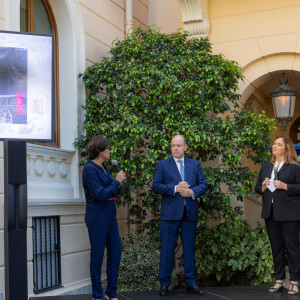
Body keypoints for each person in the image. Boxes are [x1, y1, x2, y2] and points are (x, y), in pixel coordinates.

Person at [152, 135, 208, 296]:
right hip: (169, 215)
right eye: (173, 145)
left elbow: (203, 185)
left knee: (189, 248)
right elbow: (156, 186)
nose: (175, 148)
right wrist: (175, 188)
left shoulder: (194, 164)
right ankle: (164, 284)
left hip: (189, 213)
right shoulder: (162, 165)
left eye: (178, 145)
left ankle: (191, 283)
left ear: (185, 147)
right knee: (167, 249)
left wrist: (192, 192)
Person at [82, 136, 126, 300]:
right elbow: (99, 194)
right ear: (100, 151)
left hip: (110, 213)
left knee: (116, 251)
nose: (110, 151)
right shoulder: (89, 169)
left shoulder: (104, 167)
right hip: (97, 214)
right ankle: (97, 295)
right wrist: (116, 182)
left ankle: (111, 292)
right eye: (107, 149)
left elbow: (113, 190)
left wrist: (118, 184)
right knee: (98, 255)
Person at [255, 136, 300, 295]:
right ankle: (279, 280)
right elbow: (257, 188)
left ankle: (294, 282)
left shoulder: (295, 166)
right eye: (274, 144)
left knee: (292, 248)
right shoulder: (266, 166)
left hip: (289, 214)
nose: (274, 146)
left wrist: (285, 186)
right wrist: (262, 186)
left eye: (278, 144)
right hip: (270, 213)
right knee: (276, 249)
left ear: (286, 148)